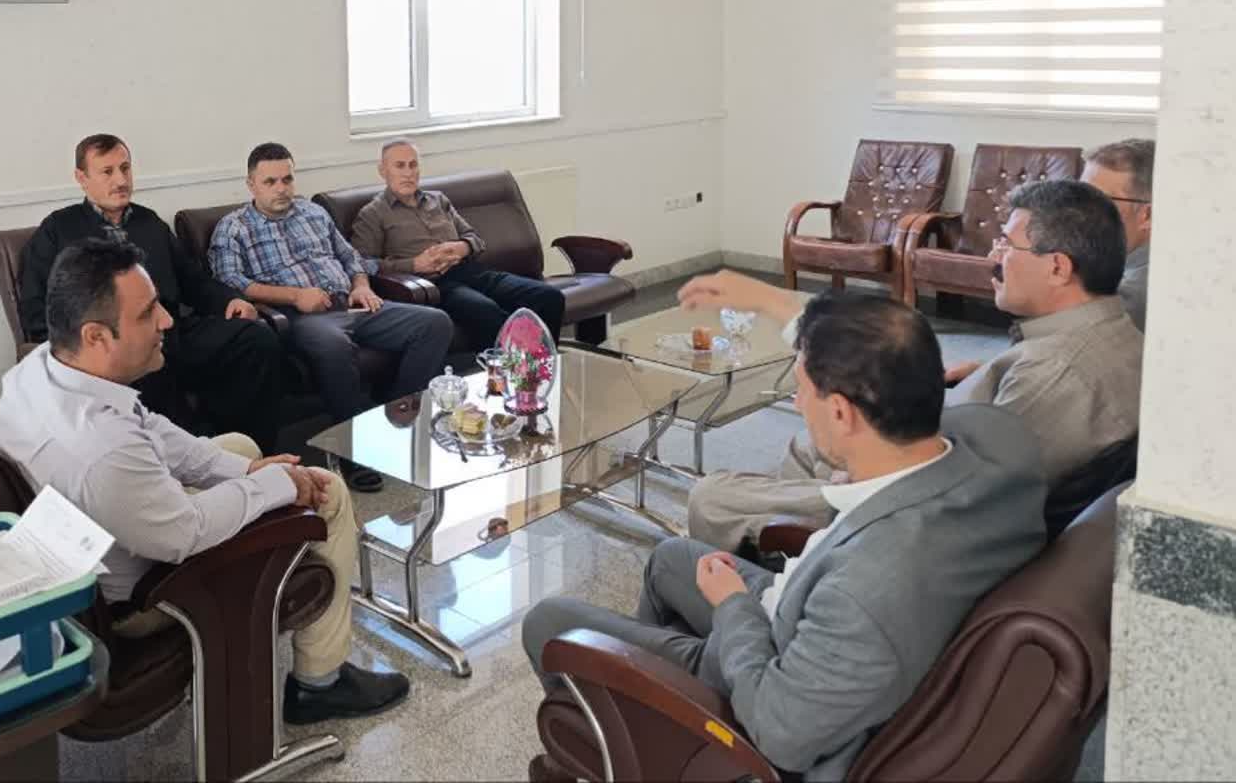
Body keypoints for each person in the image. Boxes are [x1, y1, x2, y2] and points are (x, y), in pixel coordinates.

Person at [521, 292, 1046, 782]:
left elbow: (781, 735)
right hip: (799, 619)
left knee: (548, 621)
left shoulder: (869, 587)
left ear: (840, 412)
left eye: (802, 389)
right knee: (671, 558)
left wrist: (733, 609)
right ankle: (642, 711)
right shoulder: (999, 439)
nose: (796, 404)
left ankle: (666, 717)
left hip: (771, 680)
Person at [0, 239, 410, 723]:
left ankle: (283, 564)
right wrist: (279, 486)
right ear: (97, 336)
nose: (167, 322)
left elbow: (149, 428)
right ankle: (321, 683)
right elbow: (182, 534)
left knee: (240, 447)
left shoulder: (41, 368)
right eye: (148, 313)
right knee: (327, 491)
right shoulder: (101, 449)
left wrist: (248, 472)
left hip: (108, 534)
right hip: (146, 594)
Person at [680, 178, 1142, 550]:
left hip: (910, 510)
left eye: (1006, 245)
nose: (992, 257)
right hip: (938, 456)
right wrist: (983, 375)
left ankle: (797, 558)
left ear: (1058, 267)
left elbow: (953, 492)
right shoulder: (1113, 337)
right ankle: (800, 559)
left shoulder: (1052, 375)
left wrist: (857, 473)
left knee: (713, 498)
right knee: (808, 446)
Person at [16, 134, 288, 454]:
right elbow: (37, 309)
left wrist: (230, 300)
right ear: (82, 178)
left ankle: (253, 454)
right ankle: (199, 458)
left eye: (125, 168)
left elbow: (193, 281)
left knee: (256, 340)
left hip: (172, 329)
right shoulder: (58, 229)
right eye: (107, 172)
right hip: (115, 344)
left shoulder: (149, 222)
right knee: (146, 367)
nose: (121, 180)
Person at [208, 142, 454, 494]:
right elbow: (231, 282)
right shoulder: (234, 228)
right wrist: (295, 296)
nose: (281, 189)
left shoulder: (313, 213)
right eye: (270, 182)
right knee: (332, 344)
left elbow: (352, 258)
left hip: (352, 304)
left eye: (287, 179)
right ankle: (353, 453)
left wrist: (361, 285)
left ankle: (397, 420)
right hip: (301, 318)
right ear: (251, 185)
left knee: (434, 323)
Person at [348, 139, 565, 350]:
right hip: (433, 285)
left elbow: (475, 239)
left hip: (472, 271)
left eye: (413, 165)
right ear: (383, 170)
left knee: (548, 297)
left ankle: (540, 366)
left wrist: (462, 247)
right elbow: (364, 264)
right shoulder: (373, 213)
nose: (408, 173)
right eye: (399, 165)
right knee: (484, 310)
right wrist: (414, 264)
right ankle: (512, 368)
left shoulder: (438, 200)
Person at [1081, 137, 1153, 330]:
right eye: (1079, 196)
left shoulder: (1129, 296)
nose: (1079, 212)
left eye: (1098, 201)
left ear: (1147, 215)